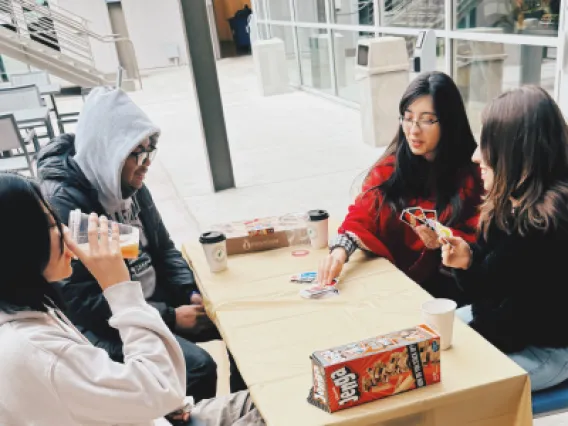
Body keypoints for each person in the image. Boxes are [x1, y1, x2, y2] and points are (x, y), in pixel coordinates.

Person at [0, 172, 264, 426]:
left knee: (266, 396)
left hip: (152, 411)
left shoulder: (27, 313)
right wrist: (119, 286)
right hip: (149, 390)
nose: (66, 230)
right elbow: (162, 387)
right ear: (20, 245)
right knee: (278, 408)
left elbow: (165, 249)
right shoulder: (35, 350)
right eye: (50, 222)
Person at [36, 86, 245, 402]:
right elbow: (82, 303)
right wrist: (172, 317)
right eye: (137, 153)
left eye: (151, 151)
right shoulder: (66, 206)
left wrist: (190, 293)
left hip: (153, 303)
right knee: (197, 367)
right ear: (109, 150)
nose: (147, 163)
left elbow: (163, 248)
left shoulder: (130, 184)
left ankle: (246, 412)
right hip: (107, 326)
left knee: (238, 326)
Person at [441, 86, 568, 391]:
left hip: (546, 350)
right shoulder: (512, 200)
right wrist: (468, 259)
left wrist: (467, 339)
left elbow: (513, 320)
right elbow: (491, 282)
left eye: (486, 144)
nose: (475, 156)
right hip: (506, 325)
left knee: (446, 380)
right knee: (429, 338)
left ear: (516, 152)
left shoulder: (547, 223)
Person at [318, 71, 483, 305]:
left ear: (449, 121)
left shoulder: (475, 175)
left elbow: (486, 240)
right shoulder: (390, 169)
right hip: (394, 288)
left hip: (452, 296)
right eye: (407, 118)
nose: (413, 130)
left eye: (427, 120)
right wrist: (339, 252)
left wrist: (445, 240)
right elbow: (362, 217)